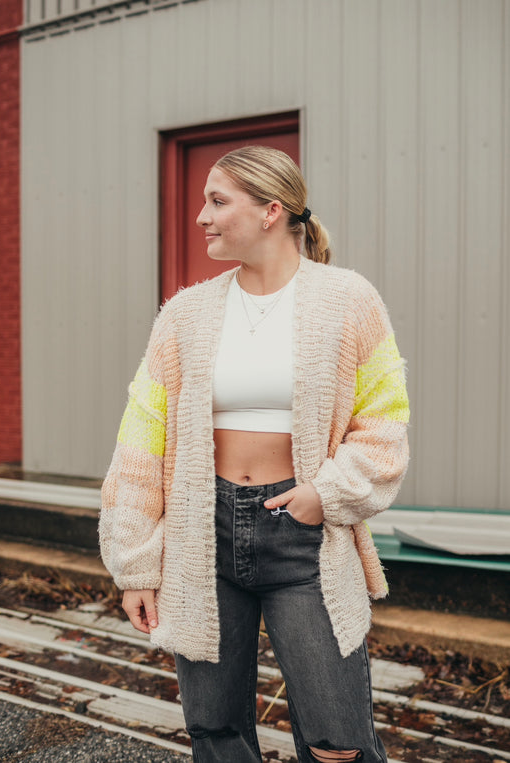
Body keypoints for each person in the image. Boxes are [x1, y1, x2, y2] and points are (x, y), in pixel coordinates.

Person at [99, 145, 409, 763]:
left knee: (338, 739)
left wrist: (326, 495)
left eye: (218, 201)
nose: (201, 217)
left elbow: (384, 423)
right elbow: (140, 439)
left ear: (272, 210)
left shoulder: (349, 301)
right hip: (200, 534)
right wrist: (135, 564)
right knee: (214, 729)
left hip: (302, 536)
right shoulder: (184, 314)